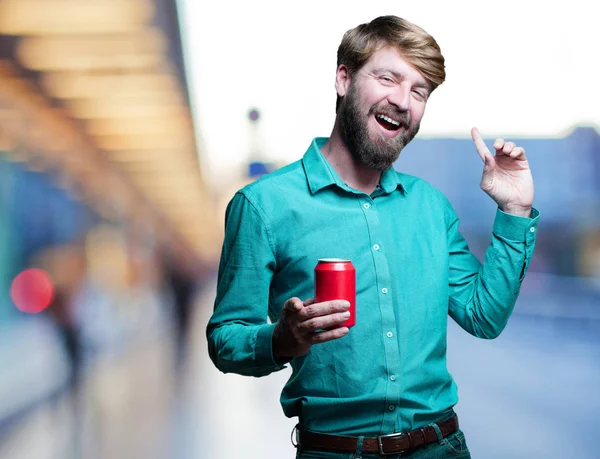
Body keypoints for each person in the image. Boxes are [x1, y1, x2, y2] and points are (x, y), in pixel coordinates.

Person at [207, 15, 539, 459]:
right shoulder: (263, 206)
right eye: (388, 78)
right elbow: (226, 338)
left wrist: (514, 210)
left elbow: (484, 316)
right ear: (344, 78)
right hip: (335, 451)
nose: (402, 100)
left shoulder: (430, 206)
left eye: (419, 91)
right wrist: (280, 340)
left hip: (441, 448)